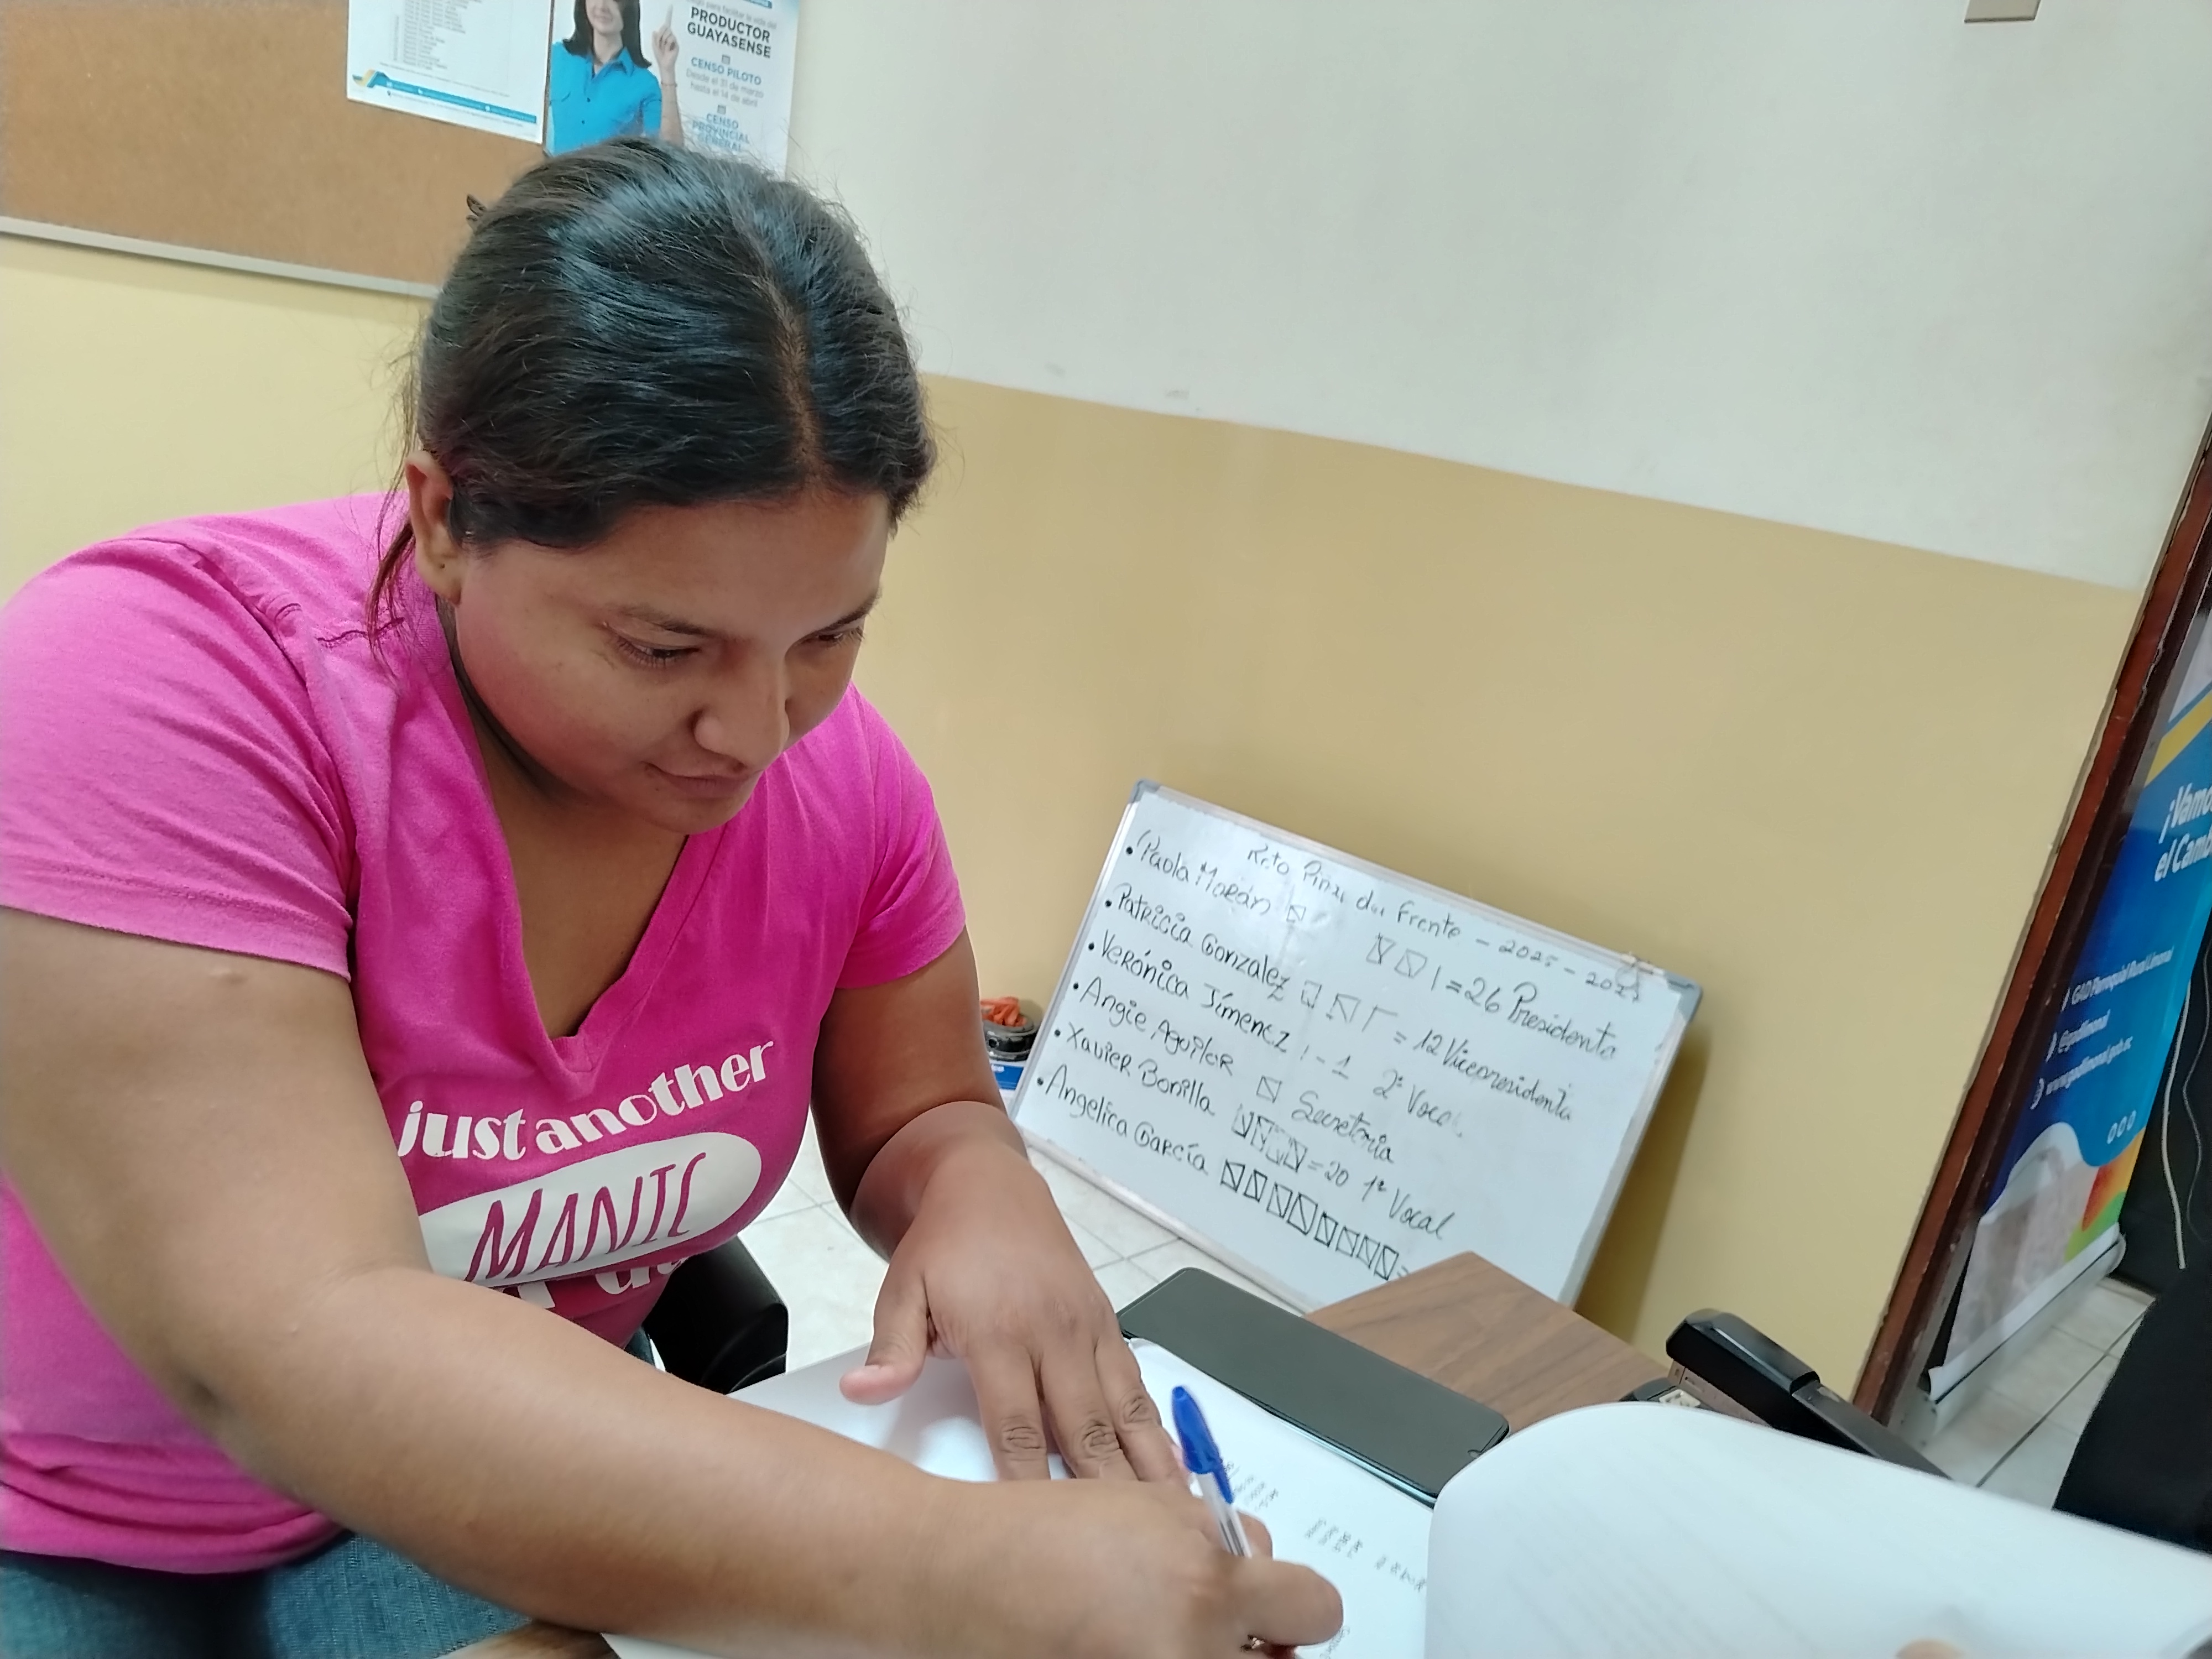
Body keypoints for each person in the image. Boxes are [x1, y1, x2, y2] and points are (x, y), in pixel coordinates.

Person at [0, 140, 1342, 1658]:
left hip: (496, 1468)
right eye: (660, 649)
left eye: (829, 634)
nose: (756, 732)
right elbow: (294, 1332)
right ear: (443, 520)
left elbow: (920, 1108)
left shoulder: (842, 784)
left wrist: (977, 1187)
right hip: (64, 1506)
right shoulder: (145, 693)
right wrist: (970, 1571)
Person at [546, 0, 683, 155]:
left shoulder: (645, 84)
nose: (602, 6)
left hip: (607, 172)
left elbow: (671, 155)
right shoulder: (556, 56)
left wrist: (667, 72)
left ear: (629, 8)